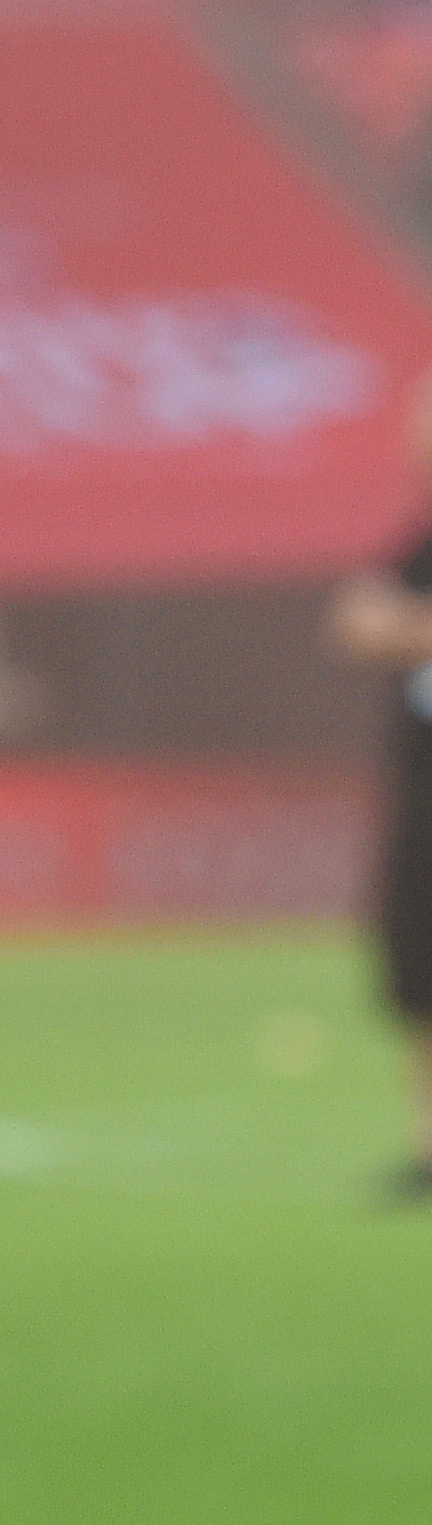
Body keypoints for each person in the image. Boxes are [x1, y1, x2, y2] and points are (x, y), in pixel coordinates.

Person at [322, 367, 432, 1200]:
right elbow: (356, 619)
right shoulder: (419, 542)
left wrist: (405, 628)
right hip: (424, 792)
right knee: (418, 960)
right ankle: (427, 1148)